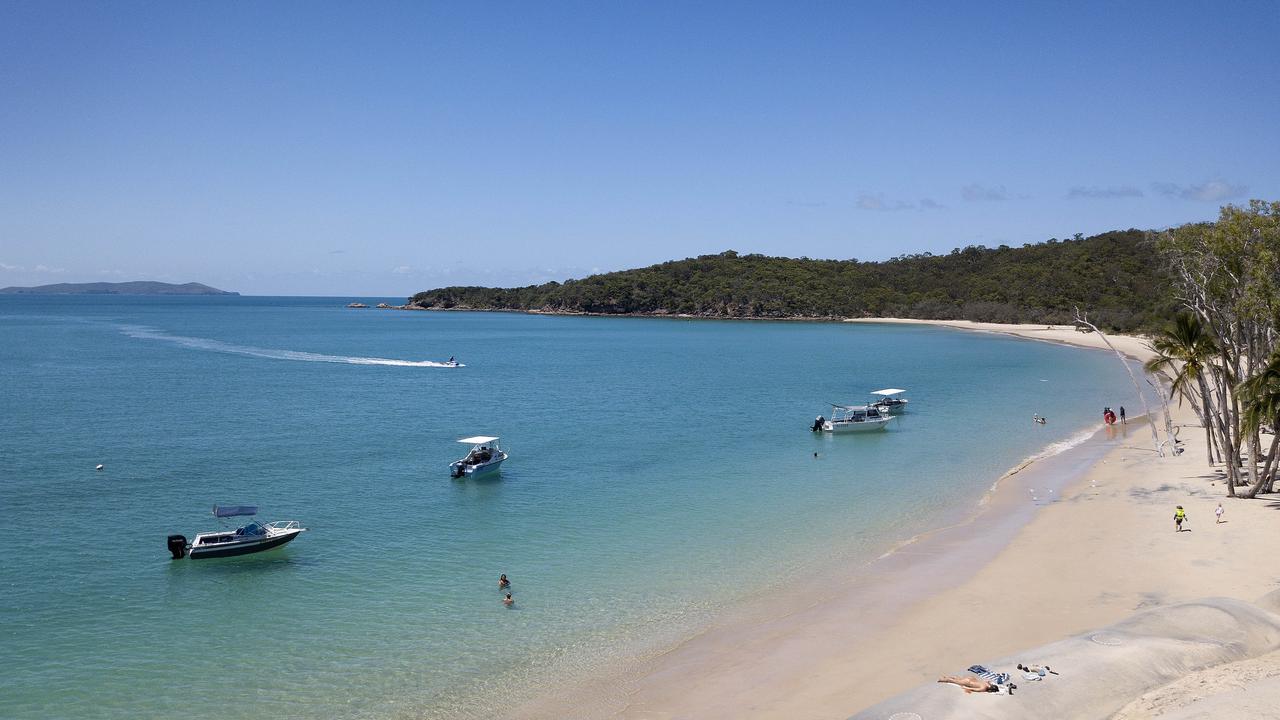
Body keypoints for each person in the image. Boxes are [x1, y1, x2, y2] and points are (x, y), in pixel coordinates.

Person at [937, 675, 1011, 694]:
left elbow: (987, 681)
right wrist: (966, 689)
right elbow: (973, 689)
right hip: (968, 682)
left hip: (972, 679)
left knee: (958, 679)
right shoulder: (983, 688)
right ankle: (941, 680)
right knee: (955, 681)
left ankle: (945, 677)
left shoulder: (986, 684)